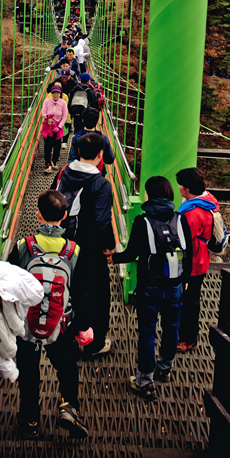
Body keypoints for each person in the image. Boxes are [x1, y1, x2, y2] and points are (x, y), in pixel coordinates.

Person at [8, 190, 88, 440]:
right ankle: (68, 406)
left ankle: (30, 419)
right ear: (65, 216)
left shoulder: (24, 246)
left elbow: (11, 283)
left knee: (29, 371)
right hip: (60, 322)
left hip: (27, 323)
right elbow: (80, 291)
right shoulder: (73, 250)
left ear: (38, 215)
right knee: (66, 367)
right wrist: (81, 325)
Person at [110, 176, 192, 402]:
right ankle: (165, 368)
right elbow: (189, 251)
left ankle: (145, 381)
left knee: (147, 331)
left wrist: (112, 258)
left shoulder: (142, 221)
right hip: (174, 283)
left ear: (150, 195)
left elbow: (131, 254)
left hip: (149, 285)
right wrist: (184, 278)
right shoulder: (180, 219)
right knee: (171, 327)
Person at [53, 132, 114, 356]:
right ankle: (93, 342)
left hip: (62, 242)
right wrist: (109, 245)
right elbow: (102, 220)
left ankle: (67, 332)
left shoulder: (63, 172)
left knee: (67, 286)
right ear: (100, 154)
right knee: (96, 292)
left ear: (77, 151)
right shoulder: (101, 184)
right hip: (88, 246)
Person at [175, 167, 219, 352]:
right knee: (191, 297)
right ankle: (187, 335)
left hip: (192, 262)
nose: (178, 188)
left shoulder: (192, 213)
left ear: (187, 189)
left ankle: (187, 338)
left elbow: (183, 240)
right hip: (201, 257)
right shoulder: (206, 201)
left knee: (189, 300)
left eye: (181, 185)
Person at [68, 107, 114, 174]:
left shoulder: (76, 138)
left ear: (82, 120)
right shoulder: (103, 138)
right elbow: (110, 159)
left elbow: (71, 159)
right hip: (97, 175)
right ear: (97, 120)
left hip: (80, 174)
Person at [41, 85, 67, 173]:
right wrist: (47, 116)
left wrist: (59, 127)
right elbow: (43, 113)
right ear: (51, 94)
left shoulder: (63, 103)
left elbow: (65, 116)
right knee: (47, 145)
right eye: (53, 93)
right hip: (48, 126)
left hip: (58, 127)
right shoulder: (47, 101)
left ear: (60, 94)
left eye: (57, 93)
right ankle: (47, 163)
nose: (55, 95)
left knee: (57, 146)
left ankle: (55, 161)